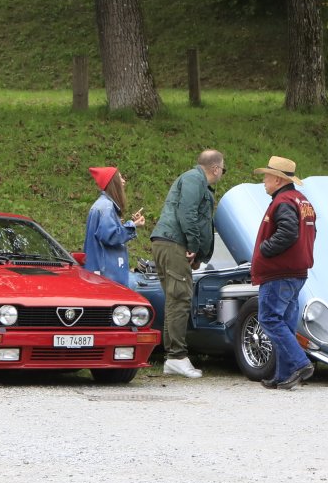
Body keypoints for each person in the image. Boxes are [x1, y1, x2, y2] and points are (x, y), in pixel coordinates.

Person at [149, 149, 224, 378]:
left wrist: (198, 253)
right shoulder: (194, 179)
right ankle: (177, 356)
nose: (222, 173)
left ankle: (172, 358)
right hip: (174, 244)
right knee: (180, 299)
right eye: (223, 169)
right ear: (216, 168)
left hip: (168, 243)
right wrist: (193, 245)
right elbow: (187, 213)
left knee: (174, 300)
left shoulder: (194, 180)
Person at [252, 155, 318, 391]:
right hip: (297, 272)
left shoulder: (283, 202)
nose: (264, 181)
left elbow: (288, 232)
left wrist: (265, 249)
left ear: (278, 180)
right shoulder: (302, 201)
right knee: (286, 324)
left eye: (267, 176)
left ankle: (301, 363)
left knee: (270, 319)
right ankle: (283, 375)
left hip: (279, 273)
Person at [83, 166, 144, 288]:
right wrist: (133, 225)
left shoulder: (102, 204)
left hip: (98, 271)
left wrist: (130, 223)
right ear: (113, 183)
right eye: (120, 178)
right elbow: (110, 236)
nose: (123, 181)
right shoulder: (106, 206)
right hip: (106, 274)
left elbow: (106, 231)